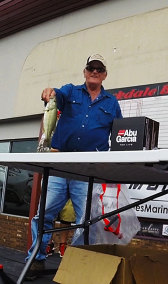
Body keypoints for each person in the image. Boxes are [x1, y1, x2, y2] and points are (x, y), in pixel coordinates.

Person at [25, 54, 122, 280]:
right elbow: (55, 95)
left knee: (87, 221)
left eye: (99, 69)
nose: (94, 72)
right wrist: (48, 92)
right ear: (85, 71)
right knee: (43, 215)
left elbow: (119, 133)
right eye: (91, 67)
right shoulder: (70, 91)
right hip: (60, 166)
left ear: (105, 74)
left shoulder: (111, 102)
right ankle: (36, 260)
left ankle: (75, 264)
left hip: (88, 170)